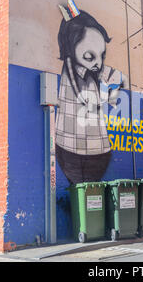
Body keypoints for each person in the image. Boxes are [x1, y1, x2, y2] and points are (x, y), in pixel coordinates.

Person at [55, 10, 128, 184]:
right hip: (70, 151)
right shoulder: (71, 69)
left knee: (90, 197)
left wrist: (113, 95)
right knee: (85, 195)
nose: (98, 63)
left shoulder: (97, 70)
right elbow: (76, 85)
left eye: (102, 55)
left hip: (99, 152)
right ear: (70, 47)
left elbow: (119, 77)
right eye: (90, 56)